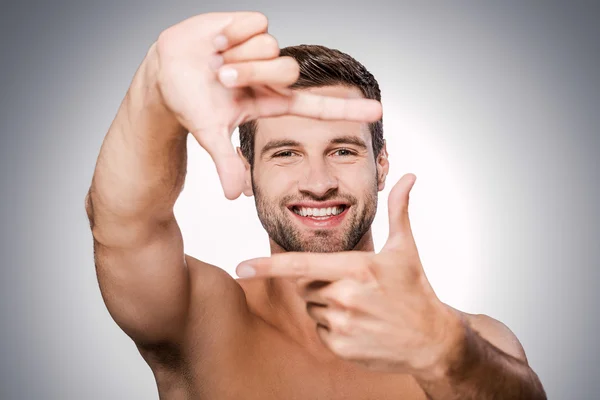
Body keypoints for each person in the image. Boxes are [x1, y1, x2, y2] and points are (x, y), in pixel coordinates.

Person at [85, 11, 547, 399]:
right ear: (246, 170)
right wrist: (155, 87)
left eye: (343, 151)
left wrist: (445, 350)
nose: (319, 183)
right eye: (285, 153)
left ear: (381, 165)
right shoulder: (198, 319)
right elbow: (123, 224)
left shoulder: (475, 342)